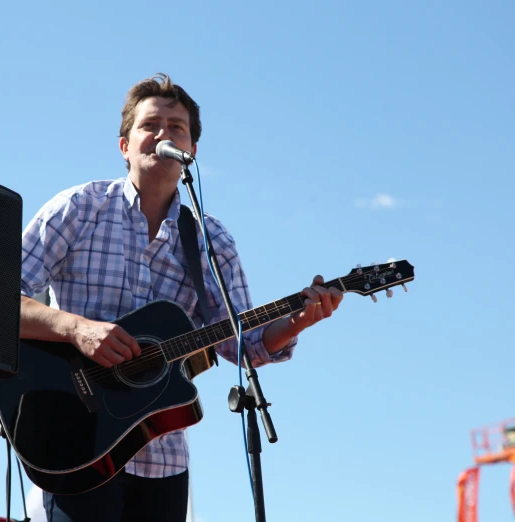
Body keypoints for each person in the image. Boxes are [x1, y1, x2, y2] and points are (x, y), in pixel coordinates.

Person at [18, 73, 343, 522]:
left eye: (177, 128)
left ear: (191, 151)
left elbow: (242, 344)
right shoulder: (78, 208)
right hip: (76, 438)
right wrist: (77, 329)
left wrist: (300, 320)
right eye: (151, 125)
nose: (164, 135)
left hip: (164, 458)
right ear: (124, 146)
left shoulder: (211, 240)